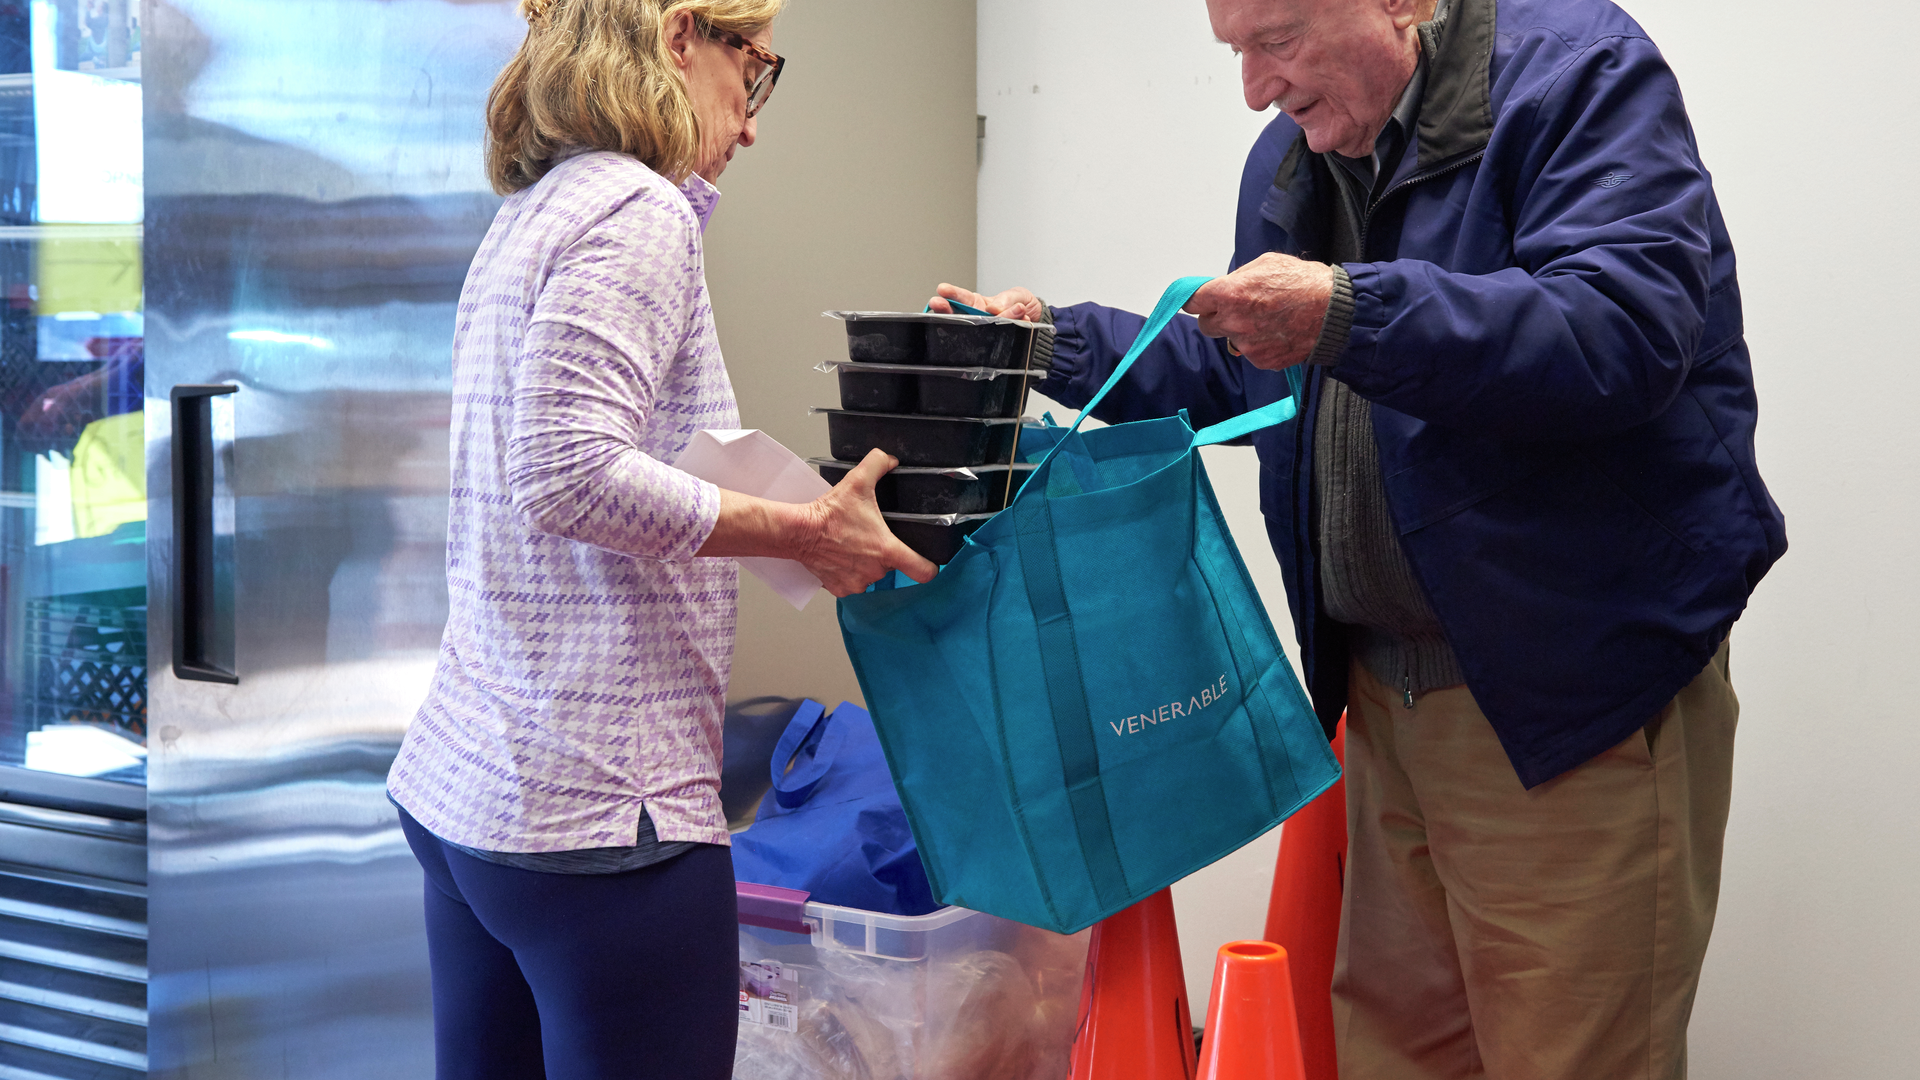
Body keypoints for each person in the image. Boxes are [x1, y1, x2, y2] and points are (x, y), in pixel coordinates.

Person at [935, 0, 1785, 1076]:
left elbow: (1620, 329)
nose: (1254, 88)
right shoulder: (1296, 155)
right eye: (1236, 49)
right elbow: (1255, 366)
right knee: (1395, 1056)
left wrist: (1349, 313)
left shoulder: (1581, 77)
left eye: (1276, 40)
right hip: (1386, 707)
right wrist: (1051, 343)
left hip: (1570, 701)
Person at [385, 1, 934, 1077]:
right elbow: (566, 470)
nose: (753, 119)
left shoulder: (538, 208)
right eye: (754, 69)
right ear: (679, 36)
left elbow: (550, 460)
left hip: (471, 793)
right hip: (599, 814)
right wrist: (804, 532)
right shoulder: (638, 210)